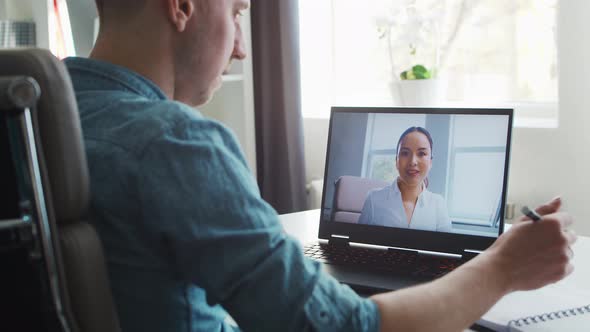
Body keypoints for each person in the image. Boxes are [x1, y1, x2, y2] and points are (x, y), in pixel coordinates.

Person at [63, 0, 577, 331]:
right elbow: (343, 329)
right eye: (238, 13)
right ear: (181, 6)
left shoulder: (33, 111)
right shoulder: (177, 142)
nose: (241, 49)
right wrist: (504, 267)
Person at [358, 126, 452, 232]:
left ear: (430, 162)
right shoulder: (373, 199)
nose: (412, 161)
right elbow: (360, 241)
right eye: (405, 153)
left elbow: (445, 247)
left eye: (421, 153)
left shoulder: (438, 204)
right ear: (397, 161)